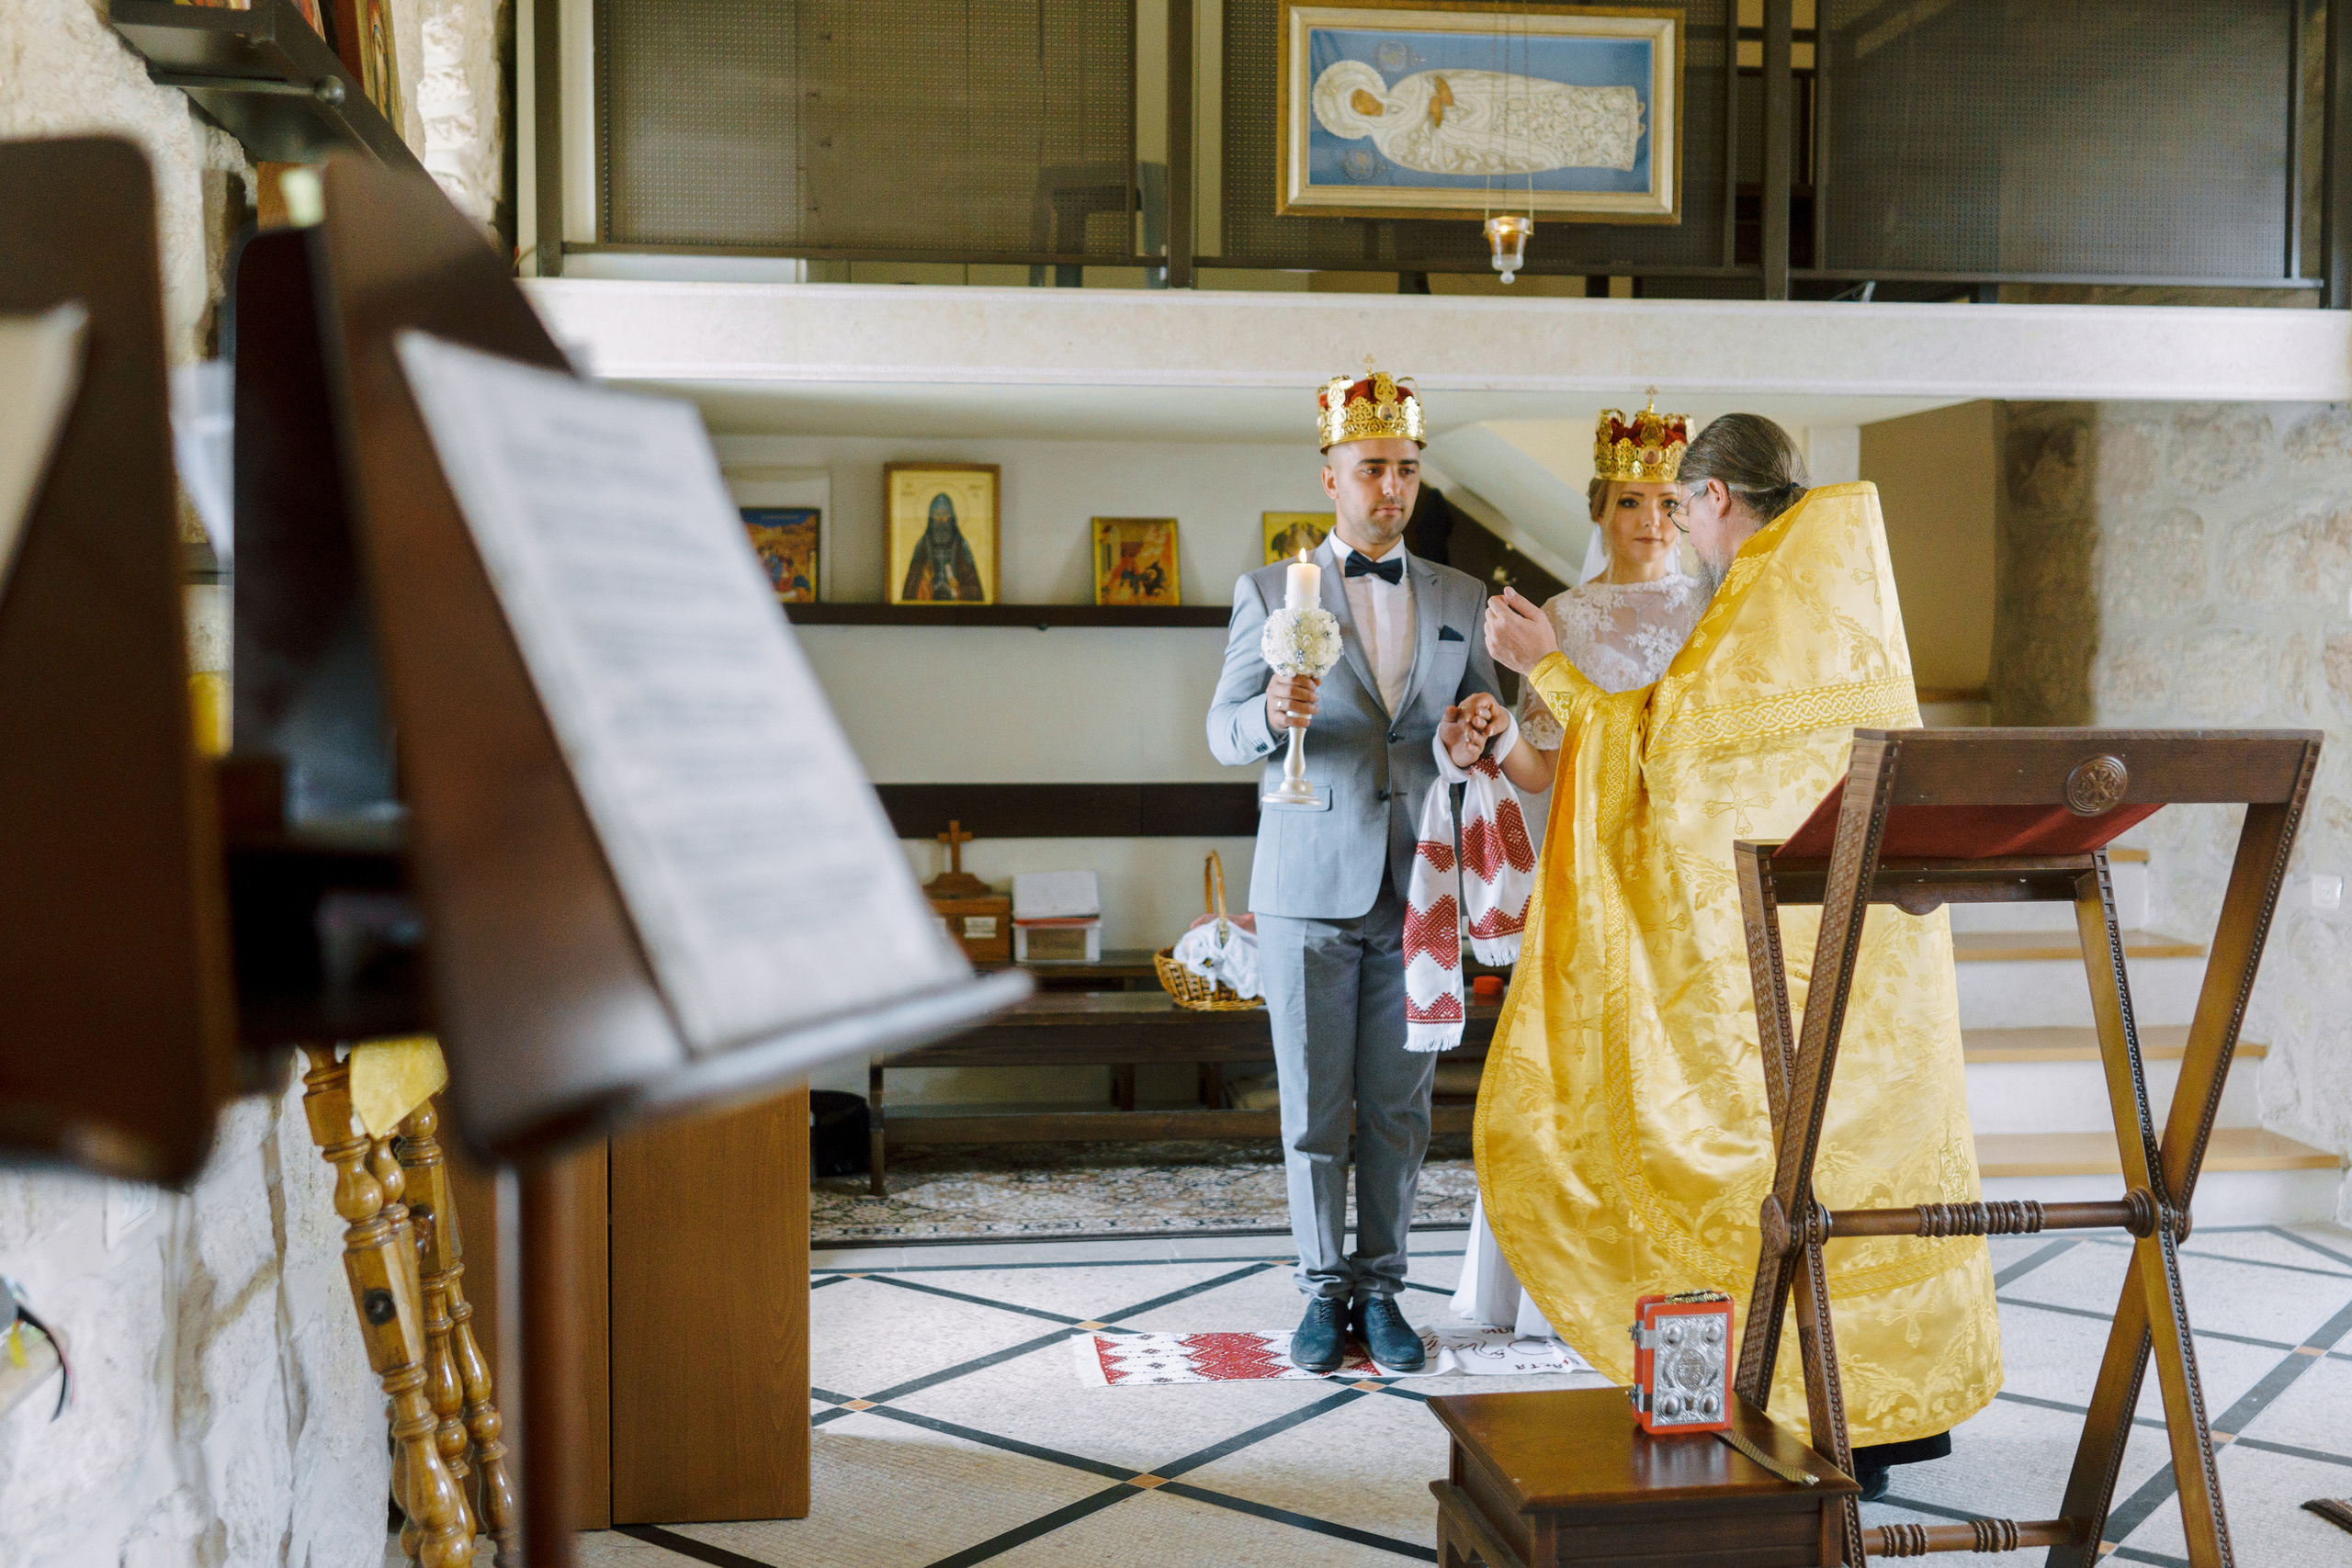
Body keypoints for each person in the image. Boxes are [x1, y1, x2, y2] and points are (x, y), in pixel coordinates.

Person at [1470, 413, 1999, 1499]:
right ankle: (1875, 1424)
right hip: (1866, 953)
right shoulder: (1838, 578)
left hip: (1781, 955)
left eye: (1684, 509)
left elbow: (1660, 756)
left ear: (1714, 500)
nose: (1680, 533)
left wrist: (1545, 669)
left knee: (1772, 1170)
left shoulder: (1761, 595)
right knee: (1854, 1168)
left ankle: (1796, 1416)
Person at [1206, 368, 1502, 1375]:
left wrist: (1475, 731)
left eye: (1407, 469)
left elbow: (1481, 731)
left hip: (1421, 885)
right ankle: (1319, 1289)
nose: (1393, 487)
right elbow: (1220, 730)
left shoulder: (1460, 597)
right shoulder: (1264, 593)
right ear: (1329, 476)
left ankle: (1382, 1291)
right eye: (1373, 467)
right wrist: (1268, 720)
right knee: (1309, 1108)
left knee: (1399, 1109)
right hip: (1302, 888)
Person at [1451, 397, 1707, 1340]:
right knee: (1571, 1070)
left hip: (1683, 870)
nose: (1652, 520)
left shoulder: (1719, 612)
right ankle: (1558, 1282)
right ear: (1599, 509)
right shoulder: (1564, 616)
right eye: (1633, 500)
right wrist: (1496, 737)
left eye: (1669, 502)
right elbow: (1547, 766)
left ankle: (1670, 1276)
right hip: (1589, 871)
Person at [900, 492, 985, 602]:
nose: (940, 520)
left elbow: (975, 591)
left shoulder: (961, 546)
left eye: (945, 515)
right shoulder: (923, 545)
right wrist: (924, 581)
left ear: (951, 518)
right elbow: (909, 591)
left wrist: (959, 589)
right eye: (936, 515)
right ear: (931, 518)